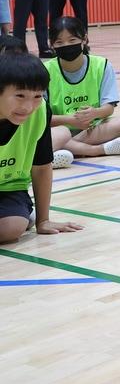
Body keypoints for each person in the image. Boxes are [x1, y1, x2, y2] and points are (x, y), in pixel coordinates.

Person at [0, 45, 83, 245]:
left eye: (37, 96)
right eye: (20, 96)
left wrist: (43, 220)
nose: (28, 107)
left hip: (9, 187)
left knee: (11, 229)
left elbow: (42, 167)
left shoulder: (39, 113)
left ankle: (21, 214)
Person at [45, 17, 120, 169]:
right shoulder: (45, 71)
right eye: (59, 42)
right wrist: (71, 120)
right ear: (51, 44)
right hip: (58, 130)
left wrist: (94, 113)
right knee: (58, 133)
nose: (66, 45)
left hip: (91, 130)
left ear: (84, 39)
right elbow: (41, 117)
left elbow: (109, 108)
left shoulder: (101, 65)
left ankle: (62, 149)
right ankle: (96, 150)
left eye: (72, 40)